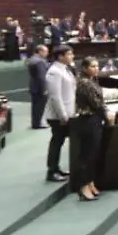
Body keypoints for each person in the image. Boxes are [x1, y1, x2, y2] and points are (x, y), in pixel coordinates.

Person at [72, 56, 110, 201]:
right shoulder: (85, 83)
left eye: (97, 66)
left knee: (93, 155)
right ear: (84, 68)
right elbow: (96, 104)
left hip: (93, 119)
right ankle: (82, 187)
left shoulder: (92, 81)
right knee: (86, 156)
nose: (96, 68)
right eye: (92, 66)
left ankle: (90, 183)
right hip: (87, 120)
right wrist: (107, 116)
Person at [43, 45, 76, 182]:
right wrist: (63, 115)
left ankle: (56, 169)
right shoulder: (54, 71)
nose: (72, 56)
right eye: (69, 54)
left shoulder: (65, 69)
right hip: (58, 116)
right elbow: (55, 96)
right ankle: (51, 171)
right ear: (60, 56)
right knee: (56, 142)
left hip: (68, 113)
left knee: (59, 141)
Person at [26, 44, 50, 129]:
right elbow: (41, 77)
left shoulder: (32, 59)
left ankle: (35, 123)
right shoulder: (40, 61)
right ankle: (38, 123)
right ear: (40, 51)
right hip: (40, 88)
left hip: (34, 86)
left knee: (35, 107)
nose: (47, 53)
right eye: (46, 51)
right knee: (39, 107)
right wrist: (44, 89)